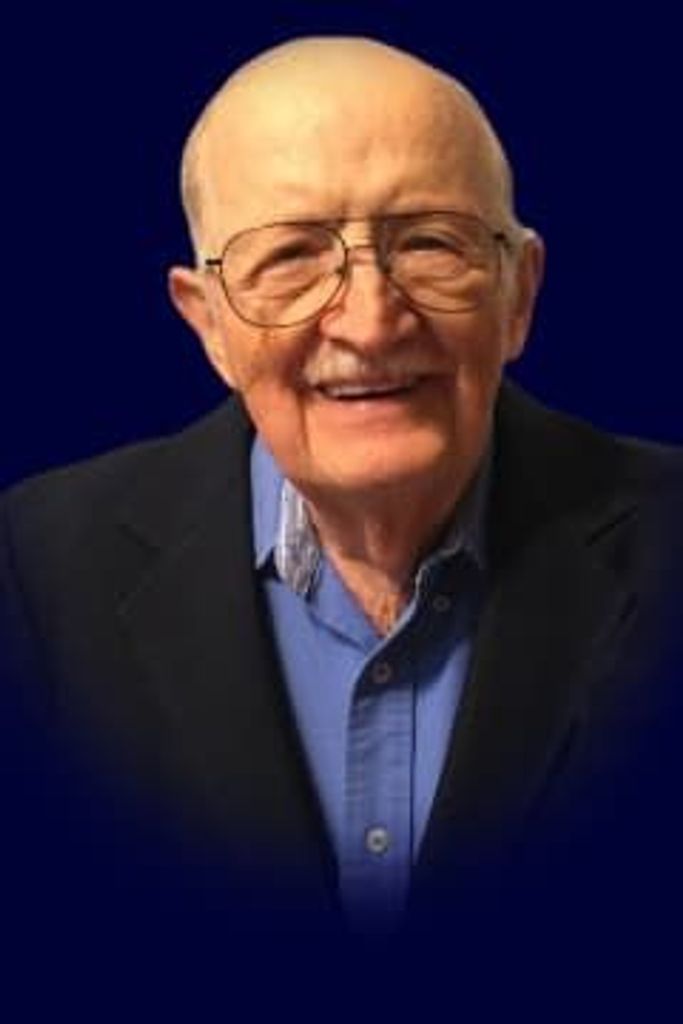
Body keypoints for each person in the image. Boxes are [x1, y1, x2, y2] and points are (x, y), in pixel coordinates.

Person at [1, 36, 682, 935]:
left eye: (429, 243)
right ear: (208, 326)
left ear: (517, 295)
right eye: (290, 257)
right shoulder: (33, 573)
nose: (368, 322)